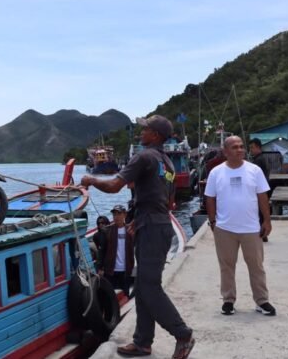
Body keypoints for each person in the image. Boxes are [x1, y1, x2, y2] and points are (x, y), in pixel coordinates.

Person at [81, 114, 194, 359]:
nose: (141, 133)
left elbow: (113, 186)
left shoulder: (143, 156)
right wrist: (137, 220)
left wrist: (90, 179)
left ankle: (182, 334)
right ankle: (142, 342)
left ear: (155, 135)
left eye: (145, 130)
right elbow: (167, 199)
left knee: (149, 287)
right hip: (157, 225)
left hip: (152, 229)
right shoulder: (168, 163)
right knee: (143, 286)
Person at [205, 135, 275, 317]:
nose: (240, 150)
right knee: (226, 266)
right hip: (225, 228)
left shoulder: (255, 170)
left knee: (256, 266)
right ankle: (228, 300)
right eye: (235, 147)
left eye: (241, 146)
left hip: (251, 228)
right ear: (225, 151)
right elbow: (210, 198)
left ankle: (262, 301)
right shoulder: (216, 173)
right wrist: (213, 221)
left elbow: (262, 197)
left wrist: (267, 220)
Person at [96, 205, 135, 297]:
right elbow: (101, 251)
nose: (116, 217)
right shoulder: (107, 230)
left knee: (125, 294)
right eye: (114, 214)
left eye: (119, 214)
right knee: (109, 296)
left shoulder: (130, 230)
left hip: (126, 270)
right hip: (110, 270)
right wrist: (100, 268)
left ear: (125, 215)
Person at [248, 138, 271, 242]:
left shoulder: (258, 160)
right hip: (262, 188)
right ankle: (262, 234)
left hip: (260, 190)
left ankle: (263, 234)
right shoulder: (259, 158)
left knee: (260, 213)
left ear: (258, 147)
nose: (251, 150)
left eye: (252, 147)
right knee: (260, 213)